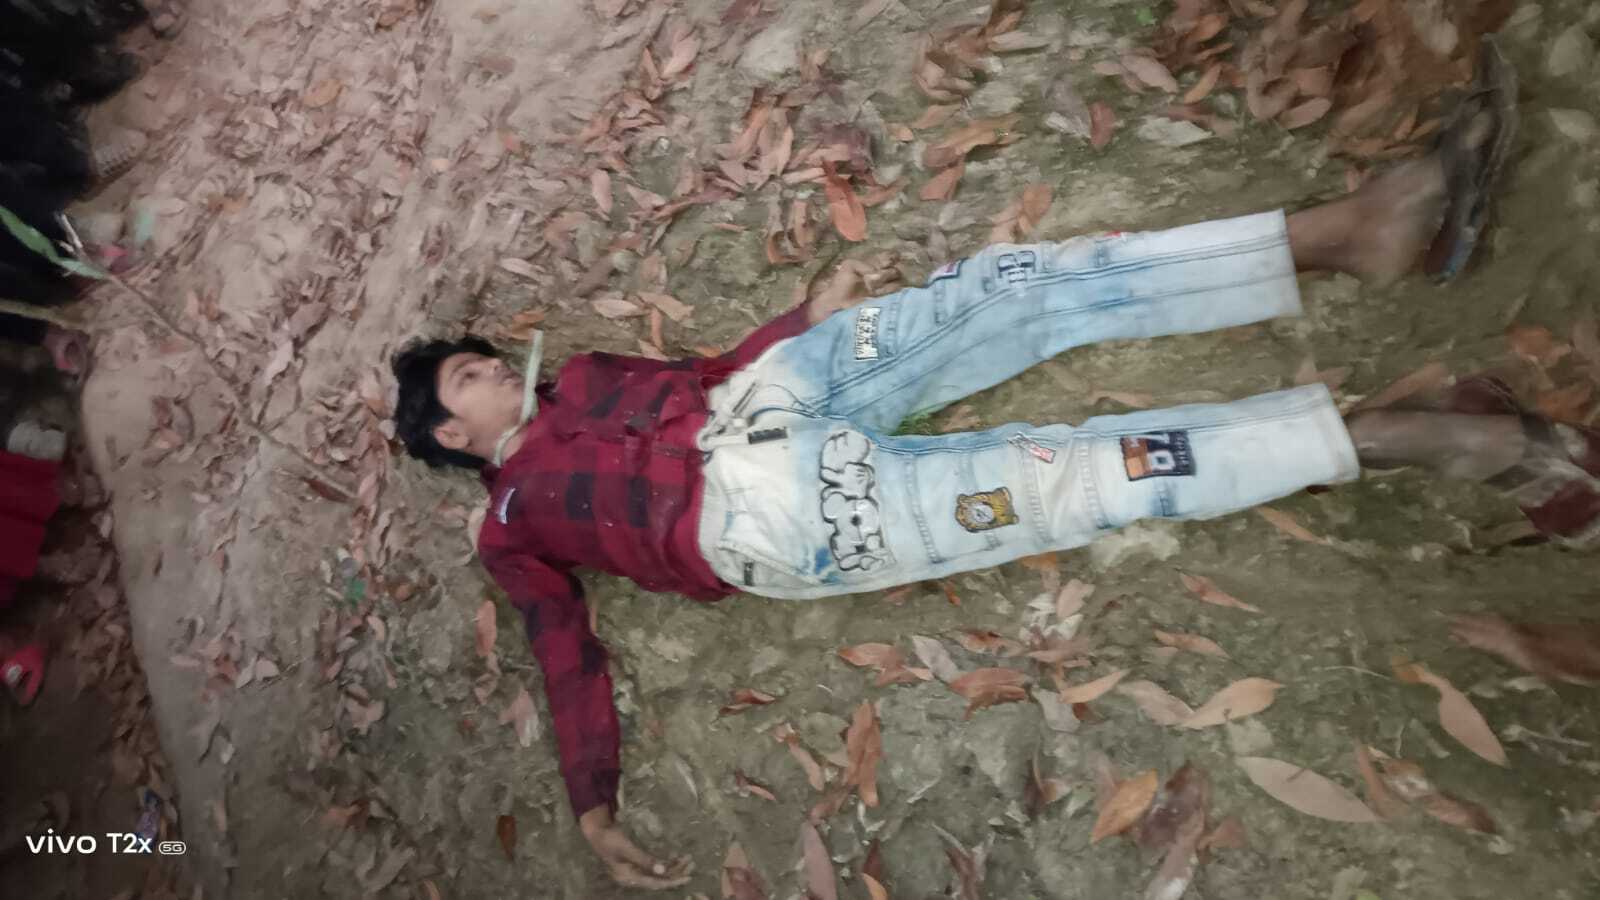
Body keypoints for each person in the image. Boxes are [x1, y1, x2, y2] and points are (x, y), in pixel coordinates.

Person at [392, 45, 1590, 887]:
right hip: (765, 517)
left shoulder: (583, 377)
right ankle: (1402, 437)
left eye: (486, 361)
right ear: (454, 437)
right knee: (1071, 477)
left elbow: (708, 372)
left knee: (1017, 289)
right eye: (471, 380)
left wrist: (802, 318)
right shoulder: (510, 524)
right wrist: (591, 799)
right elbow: (563, 649)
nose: (496, 372)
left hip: (769, 395)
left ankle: (1361, 228)